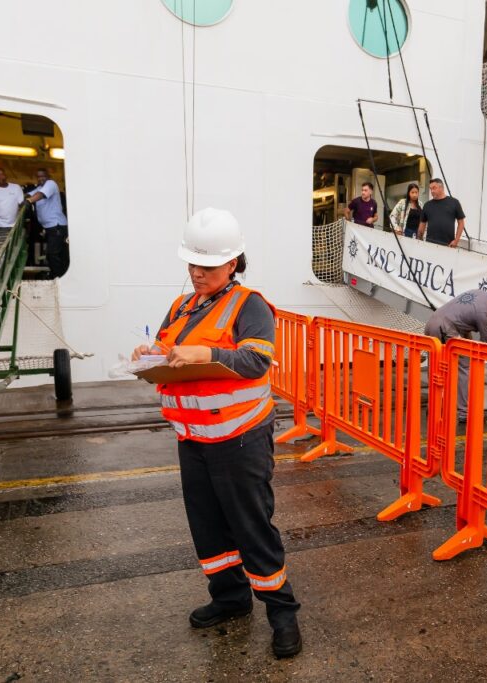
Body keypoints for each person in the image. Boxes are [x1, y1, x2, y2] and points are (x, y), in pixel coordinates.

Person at [131, 208, 303, 659]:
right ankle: (229, 599)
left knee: (251, 529)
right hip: (193, 439)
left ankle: (282, 614)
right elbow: (172, 350)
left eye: (205, 266)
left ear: (232, 264)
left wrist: (206, 350)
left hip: (240, 440)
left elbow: (255, 361)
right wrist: (150, 354)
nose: (195, 272)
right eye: (191, 263)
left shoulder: (250, 306)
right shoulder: (182, 305)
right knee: (207, 528)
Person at [424, 286, 487, 422]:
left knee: (435, 367)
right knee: (464, 366)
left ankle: (433, 406)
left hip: (432, 323)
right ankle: (464, 413)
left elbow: (463, 322)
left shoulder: (478, 293)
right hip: (445, 328)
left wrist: (469, 345)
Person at [25, 168, 68, 278]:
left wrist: (29, 201)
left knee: (53, 254)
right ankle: (60, 275)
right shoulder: (39, 188)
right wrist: (25, 198)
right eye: (38, 177)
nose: (40, 178)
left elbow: (40, 195)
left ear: (48, 176)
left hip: (56, 225)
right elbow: (30, 195)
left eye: (43, 176)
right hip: (49, 227)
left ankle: (58, 277)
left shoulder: (51, 184)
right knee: (58, 254)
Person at [418, 178, 466, 247]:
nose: (432, 191)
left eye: (434, 188)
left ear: (441, 188)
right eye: (430, 189)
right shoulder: (427, 205)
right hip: (429, 246)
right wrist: (419, 242)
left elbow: (461, 223)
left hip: (448, 246)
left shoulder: (454, 202)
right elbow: (422, 225)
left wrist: (456, 241)